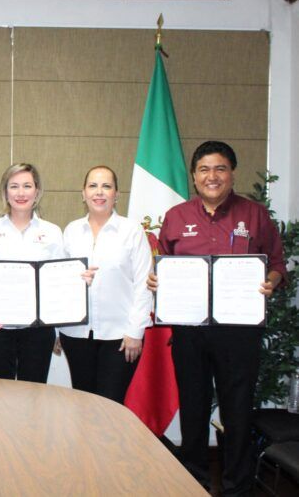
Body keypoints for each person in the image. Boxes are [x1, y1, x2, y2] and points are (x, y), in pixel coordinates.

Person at [147, 141, 286, 496]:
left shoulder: (255, 215)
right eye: (204, 169)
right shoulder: (176, 216)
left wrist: (270, 282)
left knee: (237, 411)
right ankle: (193, 481)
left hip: (239, 332)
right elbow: (163, 263)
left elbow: (276, 263)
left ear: (232, 173)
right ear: (194, 176)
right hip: (189, 330)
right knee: (192, 408)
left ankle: (237, 487)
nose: (212, 176)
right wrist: (157, 280)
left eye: (220, 168)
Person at [60, 166, 152, 403]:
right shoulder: (71, 231)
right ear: (83, 193)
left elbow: (144, 284)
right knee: (83, 404)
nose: (99, 192)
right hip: (76, 334)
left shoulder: (132, 231)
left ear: (116, 194)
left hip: (120, 336)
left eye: (106, 186)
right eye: (93, 186)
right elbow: (58, 282)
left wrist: (136, 332)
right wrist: (56, 326)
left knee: (110, 406)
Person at [0, 163, 64, 383]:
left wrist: (60, 329)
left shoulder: (52, 232)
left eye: (27, 186)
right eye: (14, 186)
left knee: (33, 394)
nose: (21, 193)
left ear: (37, 191)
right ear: (5, 192)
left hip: (38, 329)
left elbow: (59, 282)